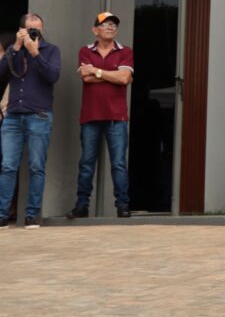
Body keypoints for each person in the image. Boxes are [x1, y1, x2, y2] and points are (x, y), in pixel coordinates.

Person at [66, 12, 134, 219]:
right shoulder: (85, 51)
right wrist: (107, 75)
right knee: (87, 162)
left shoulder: (125, 51)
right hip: (91, 116)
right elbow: (85, 78)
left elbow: (124, 78)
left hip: (117, 117)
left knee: (119, 163)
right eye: (105, 25)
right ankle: (82, 206)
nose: (111, 28)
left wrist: (97, 71)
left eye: (114, 25)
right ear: (95, 30)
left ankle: (122, 205)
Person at [0, 13, 61, 230]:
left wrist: (36, 54)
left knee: (37, 167)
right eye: (30, 29)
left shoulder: (51, 50)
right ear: (21, 30)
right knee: (7, 166)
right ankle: (2, 215)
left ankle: (32, 215)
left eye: (38, 28)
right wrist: (16, 47)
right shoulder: (13, 51)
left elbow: (53, 76)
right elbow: (1, 75)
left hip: (39, 115)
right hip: (13, 116)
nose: (34, 33)